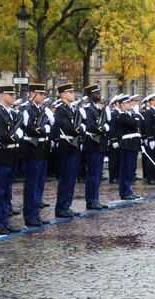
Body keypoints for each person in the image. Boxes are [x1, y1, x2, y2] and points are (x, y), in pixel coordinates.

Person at [0, 84, 24, 234]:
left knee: (7, 191)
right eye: (10, 94)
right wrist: (16, 136)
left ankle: (5, 220)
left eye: (13, 94)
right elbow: (2, 135)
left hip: (11, 156)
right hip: (1, 157)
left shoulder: (12, 113)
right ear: (2, 96)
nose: (13, 96)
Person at [20, 83, 52, 226]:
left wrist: (47, 126)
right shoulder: (26, 109)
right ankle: (29, 215)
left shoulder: (42, 109)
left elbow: (50, 126)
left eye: (43, 94)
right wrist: (45, 129)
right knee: (31, 184)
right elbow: (32, 129)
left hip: (42, 149)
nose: (43, 96)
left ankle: (36, 213)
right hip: (32, 150)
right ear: (31, 94)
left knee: (39, 183)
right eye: (40, 94)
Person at [53, 83, 86, 218]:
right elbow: (69, 128)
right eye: (70, 92)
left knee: (71, 178)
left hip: (74, 146)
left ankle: (67, 205)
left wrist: (80, 129)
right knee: (66, 178)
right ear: (63, 94)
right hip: (66, 147)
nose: (73, 94)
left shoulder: (72, 109)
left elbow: (80, 126)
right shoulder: (61, 110)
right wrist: (80, 129)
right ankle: (61, 207)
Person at [81, 83, 109, 210]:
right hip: (92, 145)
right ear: (90, 95)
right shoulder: (88, 109)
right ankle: (91, 200)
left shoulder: (99, 109)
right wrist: (103, 129)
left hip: (100, 145)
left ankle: (95, 198)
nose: (99, 95)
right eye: (96, 93)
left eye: (99, 92)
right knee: (92, 174)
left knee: (97, 174)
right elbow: (90, 126)